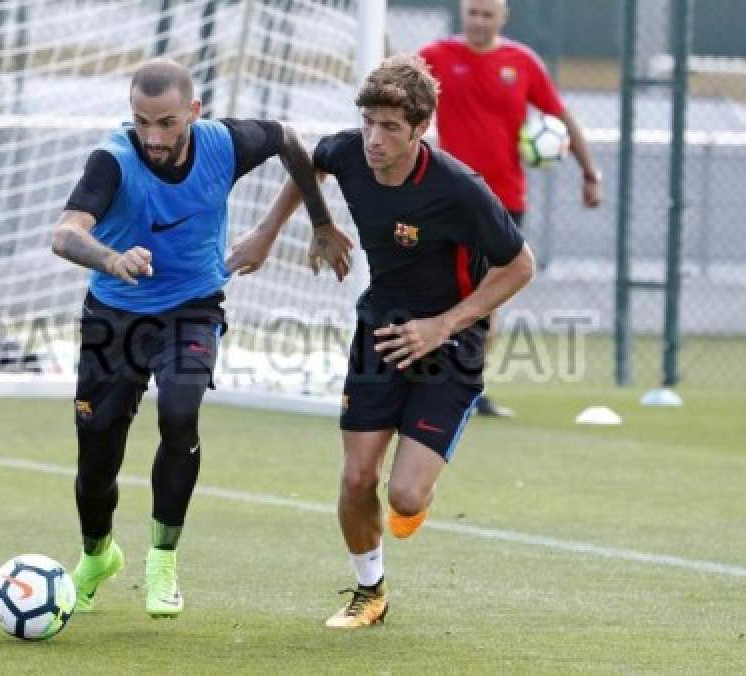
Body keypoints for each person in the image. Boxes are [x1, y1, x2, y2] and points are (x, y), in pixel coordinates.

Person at [50, 57, 349, 619]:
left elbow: (287, 139)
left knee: (180, 411)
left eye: (165, 123)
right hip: (114, 317)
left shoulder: (222, 145)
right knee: (97, 461)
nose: (153, 136)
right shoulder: (112, 160)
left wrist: (308, 224)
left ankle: (163, 560)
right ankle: (97, 554)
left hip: (191, 306)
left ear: (193, 111)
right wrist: (112, 259)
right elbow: (64, 234)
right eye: (141, 121)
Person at [256, 55, 535, 628]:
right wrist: (310, 225)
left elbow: (520, 266)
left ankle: (416, 493)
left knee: (404, 497)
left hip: (451, 344)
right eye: (367, 122)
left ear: (419, 130)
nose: (373, 139)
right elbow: (307, 163)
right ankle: (369, 592)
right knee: (357, 476)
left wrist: (443, 325)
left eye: (389, 128)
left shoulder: (459, 189)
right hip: (380, 329)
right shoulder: (349, 153)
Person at [419, 0, 601, 417]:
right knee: (437, 288)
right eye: (473, 13)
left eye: (487, 15)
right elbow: (399, 93)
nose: (479, 21)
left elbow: (561, 116)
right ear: (463, 14)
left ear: (503, 18)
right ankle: (426, 377)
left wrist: (590, 173)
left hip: (504, 202)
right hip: (448, 200)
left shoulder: (522, 63)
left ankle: (468, 390)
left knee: (486, 298)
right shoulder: (436, 57)